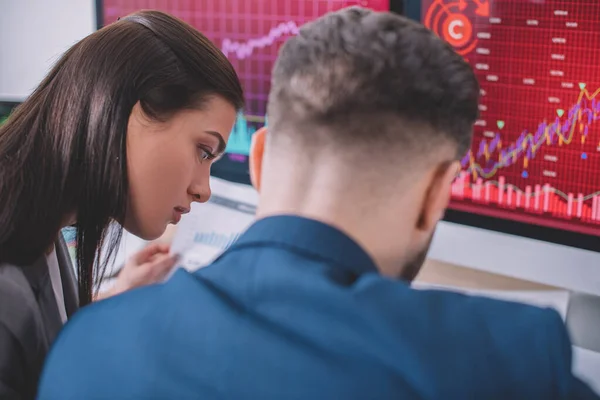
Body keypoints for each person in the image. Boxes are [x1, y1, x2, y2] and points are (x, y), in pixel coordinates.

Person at [38, 7, 599, 400]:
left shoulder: (85, 345)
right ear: (436, 195)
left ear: (258, 161)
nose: (203, 187)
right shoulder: (513, 366)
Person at [0, 10, 243, 399]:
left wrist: (113, 299)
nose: (204, 191)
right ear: (126, 111)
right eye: (203, 150)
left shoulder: (35, 221)